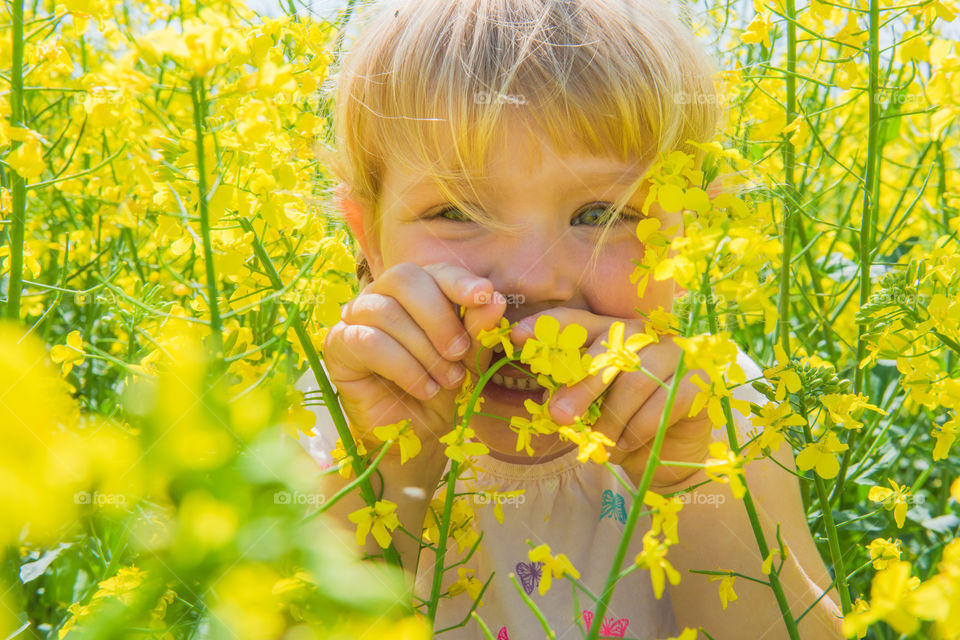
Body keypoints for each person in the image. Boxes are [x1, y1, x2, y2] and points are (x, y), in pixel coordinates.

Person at [295, 0, 845, 637]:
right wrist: (390, 472)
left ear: (690, 237)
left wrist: (694, 484)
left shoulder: (720, 407)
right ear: (369, 239)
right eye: (454, 211)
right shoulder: (335, 415)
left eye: (600, 217)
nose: (530, 277)